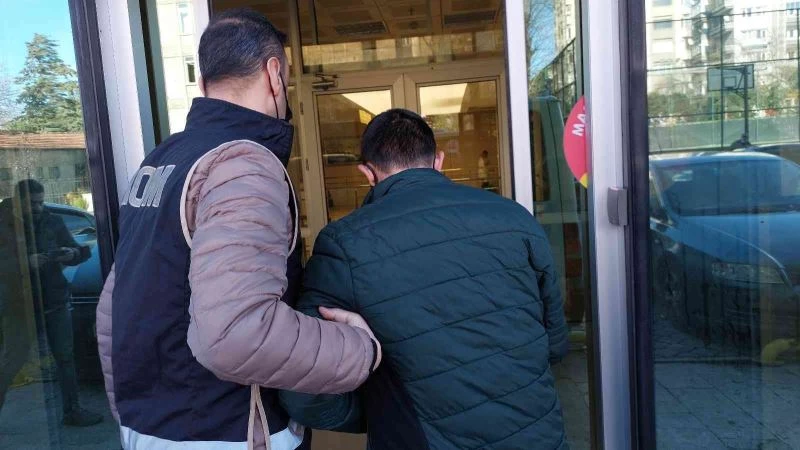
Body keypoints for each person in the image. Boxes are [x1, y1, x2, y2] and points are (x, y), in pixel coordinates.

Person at [96, 9, 380, 450]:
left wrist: (132, 415)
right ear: (274, 75)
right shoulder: (243, 162)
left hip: (149, 427)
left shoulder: (162, 160)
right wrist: (360, 348)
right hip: (225, 430)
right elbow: (235, 335)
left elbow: (113, 307)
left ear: (203, 83)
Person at [280, 109, 570, 450]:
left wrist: (379, 413)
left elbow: (304, 389)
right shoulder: (516, 218)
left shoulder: (344, 244)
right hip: (538, 436)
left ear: (367, 173)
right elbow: (555, 343)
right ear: (439, 161)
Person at [0, 179, 101, 427]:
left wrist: (72, 254)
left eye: (40, 202)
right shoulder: (3, 224)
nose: (38, 208)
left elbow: (79, 250)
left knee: (65, 358)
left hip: (54, 300)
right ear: (18, 201)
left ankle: (72, 411)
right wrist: (26, 263)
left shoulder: (51, 221)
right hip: (19, 305)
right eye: (32, 203)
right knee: (13, 362)